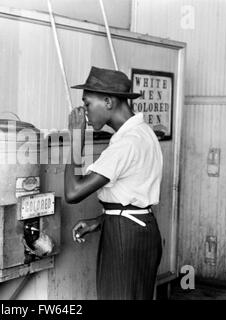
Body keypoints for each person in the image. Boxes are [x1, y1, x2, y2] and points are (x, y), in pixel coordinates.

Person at [64, 66, 163, 300]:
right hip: (140, 228)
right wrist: (100, 222)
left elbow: (73, 192)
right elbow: (133, 196)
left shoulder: (127, 143)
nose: (85, 112)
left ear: (108, 102)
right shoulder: (143, 133)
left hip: (125, 238)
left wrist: (76, 139)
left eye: (87, 104)